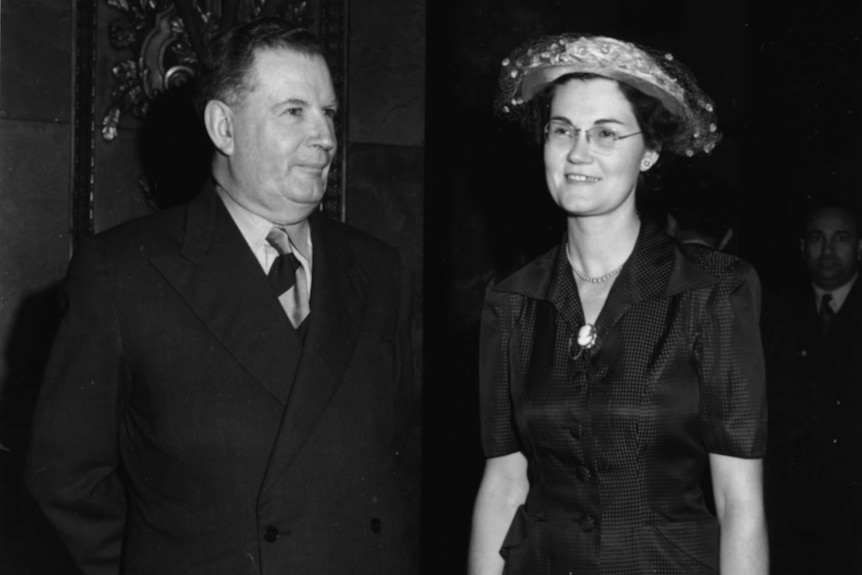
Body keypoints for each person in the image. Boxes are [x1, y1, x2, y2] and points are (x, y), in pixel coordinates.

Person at [26, 18, 416, 575]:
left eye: (328, 113)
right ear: (223, 128)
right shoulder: (123, 272)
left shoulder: (379, 270)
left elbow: (400, 465)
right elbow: (65, 477)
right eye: (294, 112)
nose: (325, 137)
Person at [468, 34, 767, 574]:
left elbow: (739, 500)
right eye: (562, 131)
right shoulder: (511, 299)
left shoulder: (714, 290)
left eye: (606, 133)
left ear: (649, 151)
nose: (578, 153)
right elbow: (504, 482)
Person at [761, 199, 862, 573]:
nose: (829, 250)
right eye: (817, 238)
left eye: (842, 238)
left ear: (860, 247)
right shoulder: (773, 313)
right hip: (793, 506)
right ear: (802, 249)